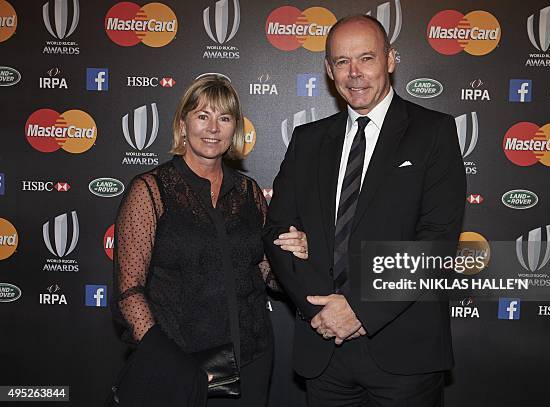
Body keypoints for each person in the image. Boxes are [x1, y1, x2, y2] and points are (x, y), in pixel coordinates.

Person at [263, 15, 466, 407]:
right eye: (341, 61)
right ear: (328, 69)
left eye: (366, 58)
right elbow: (276, 231)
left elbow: (436, 240)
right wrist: (318, 310)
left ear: (390, 60)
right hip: (324, 350)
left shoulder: (433, 132)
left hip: (404, 352)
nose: (354, 73)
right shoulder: (308, 140)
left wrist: (357, 309)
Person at [112, 75, 309, 407]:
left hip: (252, 359)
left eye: (224, 117)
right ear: (183, 124)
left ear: (234, 130)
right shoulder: (150, 190)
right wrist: (166, 357)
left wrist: (295, 254)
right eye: (203, 115)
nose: (213, 127)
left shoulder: (248, 193)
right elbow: (129, 290)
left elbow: (268, 274)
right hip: (180, 362)